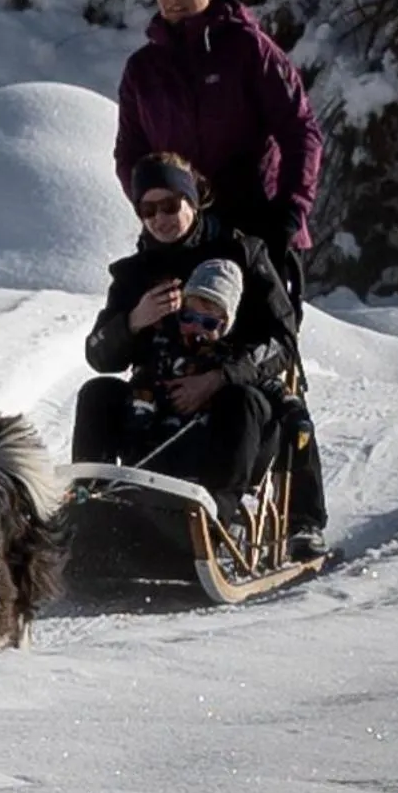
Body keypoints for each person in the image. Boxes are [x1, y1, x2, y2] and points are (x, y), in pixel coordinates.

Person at [72, 152, 327, 558]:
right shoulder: (135, 274)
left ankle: (216, 521)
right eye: (148, 209)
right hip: (156, 407)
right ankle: (92, 512)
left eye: (171, 205)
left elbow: (282, 342)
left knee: (240, 402)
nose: (160, 218)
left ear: (193, 200)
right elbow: (99, 355)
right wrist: (134, 321)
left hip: (233, 409)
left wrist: (220, 377)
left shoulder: (243, 253)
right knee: (97, 393)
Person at [116, 0, 324, 304]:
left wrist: (290, 213)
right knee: (169, 344)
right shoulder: (142, 69)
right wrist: (154, 208)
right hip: (179, 229)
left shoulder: (249, 49)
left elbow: (300, 130)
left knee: (260, 347)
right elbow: (130, 153)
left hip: (258, 226)